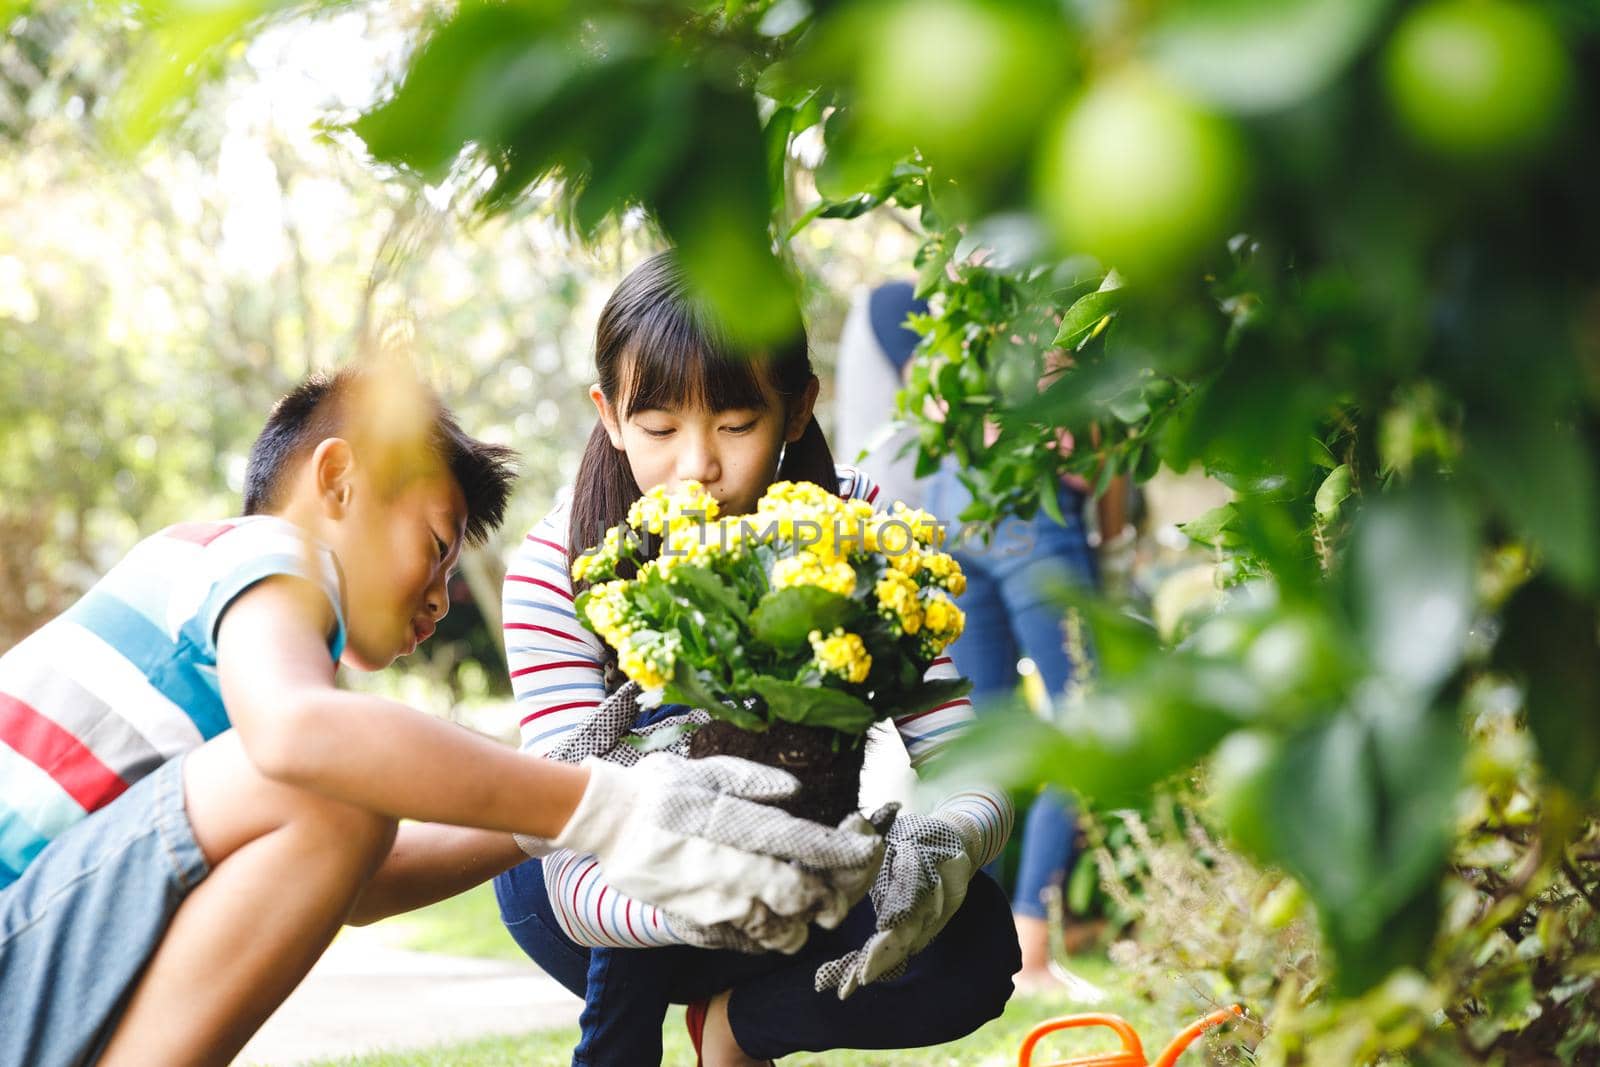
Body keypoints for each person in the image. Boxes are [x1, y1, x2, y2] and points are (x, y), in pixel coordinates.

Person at [0, 365, 884, 1067]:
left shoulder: (257, 685)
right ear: (338, 480)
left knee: (337, 798)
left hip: (34, 960)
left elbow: (366, 880)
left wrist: (593, 805)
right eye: (433, 546)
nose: (438, 599)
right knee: (333, 789)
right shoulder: (263, 553)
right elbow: (305, 745)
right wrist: (601, 805)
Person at [497, 251, 1020, 1067]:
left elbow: (969, 762)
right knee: (655, 760)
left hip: (801, 879)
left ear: (800, 407)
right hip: (595, 895)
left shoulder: (866, 534)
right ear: (607, 414)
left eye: (737, 425)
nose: (697, 467)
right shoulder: (550, 567)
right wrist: (710, 893)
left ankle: (736, 1030)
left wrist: (945, 842)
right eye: (660, 428)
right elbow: (566, 864)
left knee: (977, 948)